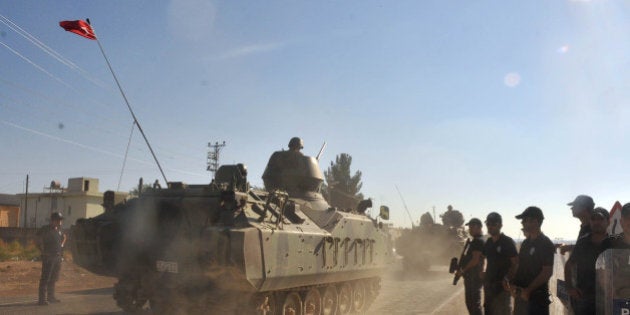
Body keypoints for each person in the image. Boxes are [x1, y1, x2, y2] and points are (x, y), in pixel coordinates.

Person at [564, 207, 611, 315]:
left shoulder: (613, 243)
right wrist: (569, 287)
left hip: (606, 299)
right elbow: (569, 265)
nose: (596, 222)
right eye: (593, 219)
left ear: (608, 222)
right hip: (584, 298)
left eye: (600, 219)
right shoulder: (583, 242)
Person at [511, 206, 555, 315]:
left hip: (536, 299)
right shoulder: (526, 243)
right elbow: (520, 266)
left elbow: (547, 272)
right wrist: (513, 284)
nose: (522, 223)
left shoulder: (545, 243)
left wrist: (528, 290)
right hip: (521, 295)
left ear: (535, 221)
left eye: (525, 220)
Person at [482, 212, 518, 315]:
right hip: (489, 287)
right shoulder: (488, 242)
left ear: (500, 225)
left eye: (494, 224)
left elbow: (516, 263)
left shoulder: (507, 242)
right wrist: (483, 270)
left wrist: (507, 277)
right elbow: (483, 258)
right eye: (488, 224)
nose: (490, 226)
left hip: (502, 289)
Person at [36, 212, 66, 305]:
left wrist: (61, 246)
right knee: (45, 278)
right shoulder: (45, 229)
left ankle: (51, 297)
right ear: (53, 220)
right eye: (58, 220)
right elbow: (36, 238)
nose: (60, 222)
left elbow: (64, 237)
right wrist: (42, 250)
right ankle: (42, 300)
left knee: (54, 278)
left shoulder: (59, 230)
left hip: (57, 257)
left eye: (61, 220)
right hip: (48, 257)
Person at [455, 218, 484, 315]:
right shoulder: (474, 241)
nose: (470, 229)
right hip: (470, 277)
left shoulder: (478, 241)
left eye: (472, 227)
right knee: (471, 304)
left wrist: (462, 270)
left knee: (474, 305)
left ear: (479, 227)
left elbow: (475, 260)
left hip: (474, 278)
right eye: (469, 227)